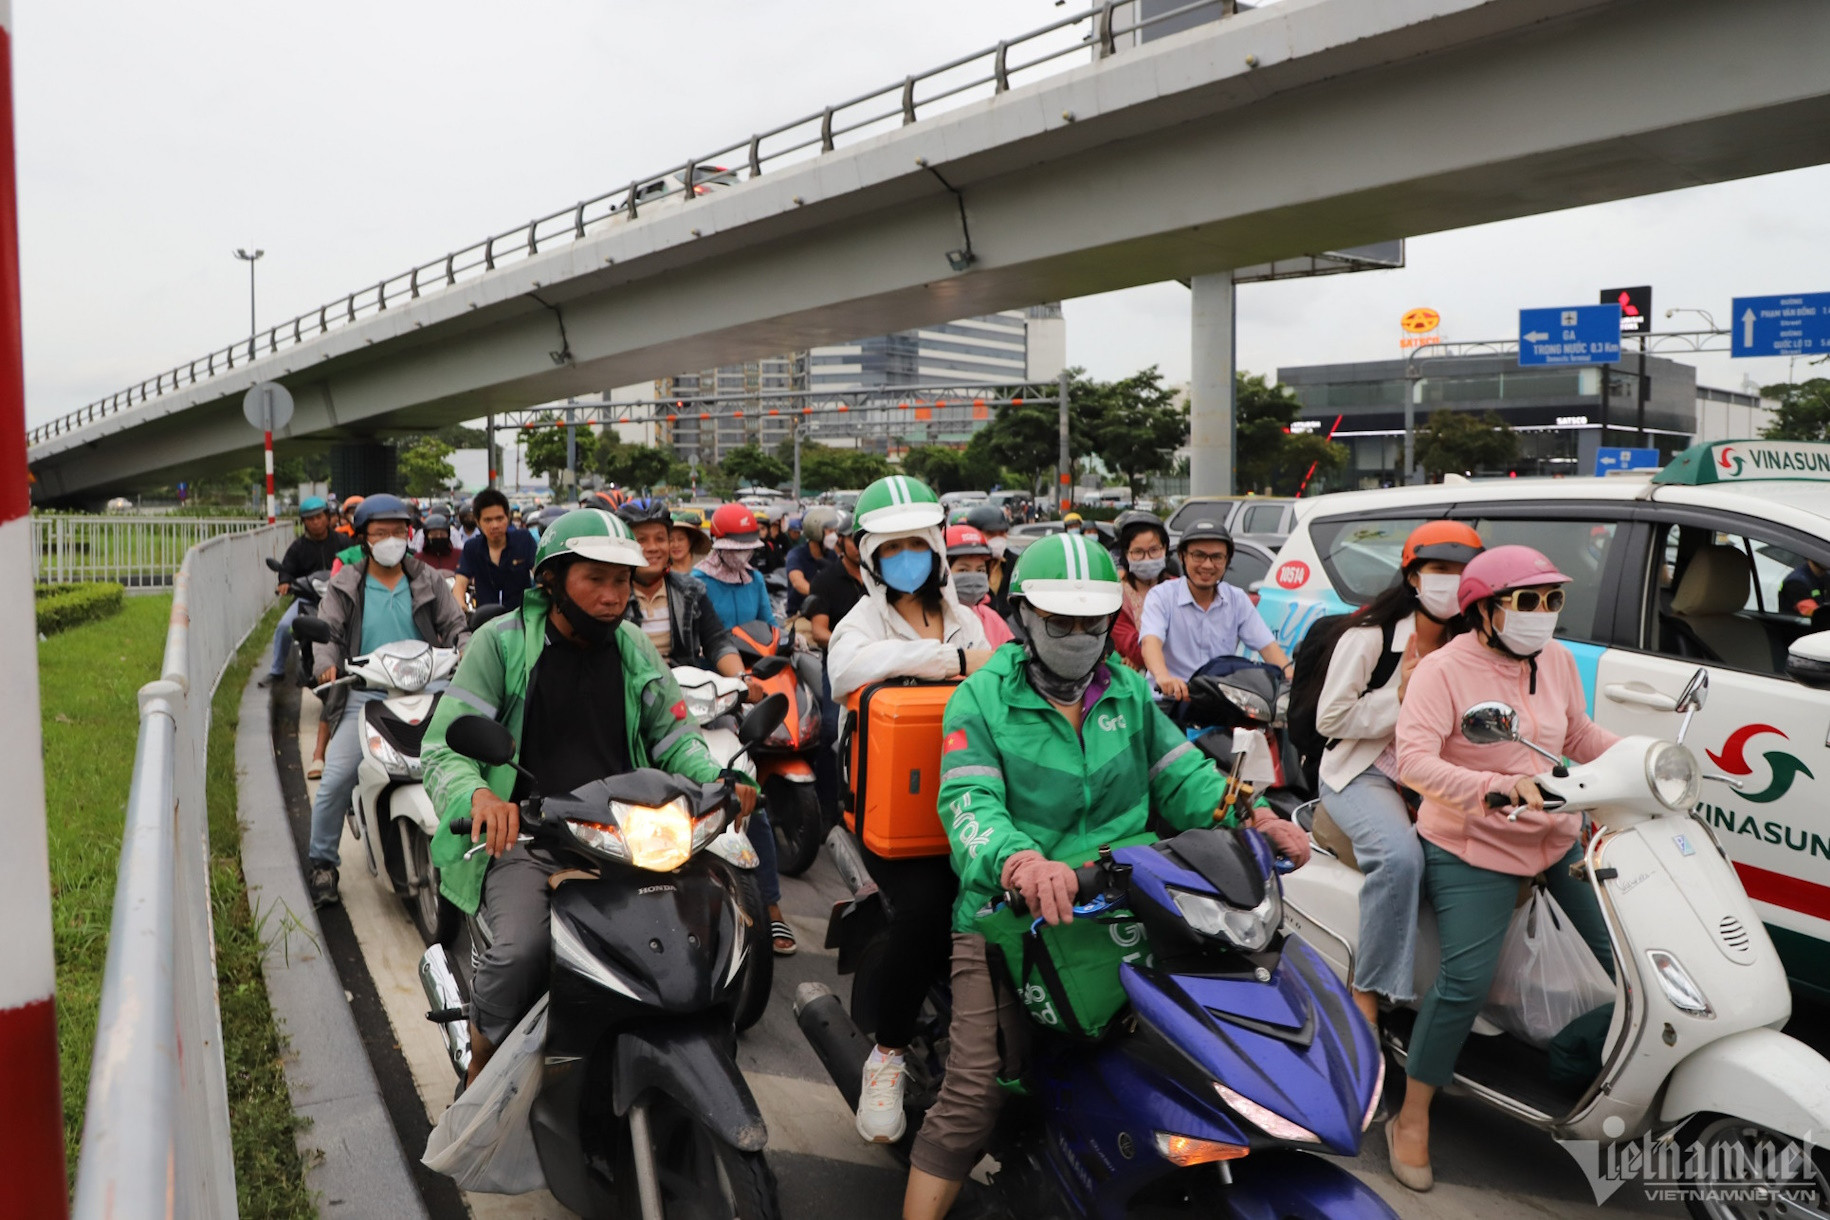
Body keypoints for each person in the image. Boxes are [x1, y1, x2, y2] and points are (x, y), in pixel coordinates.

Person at [902, 532, 1309, 1219]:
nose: (1078, 636)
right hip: (1008, 917)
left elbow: (1182, 778)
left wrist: (1257, 819)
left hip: (1135, 899)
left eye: (1091, 623)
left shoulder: (1125, 689)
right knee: (972, 1097)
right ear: (1025, 616)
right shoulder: (981, 700)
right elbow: (968, 804)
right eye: (1060, 622)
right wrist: (1021, 861)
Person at [421, 510, 755, 1083]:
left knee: (716, 925)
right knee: (521, 951)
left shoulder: (632, 648)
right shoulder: (499, 645)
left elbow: (675, 737)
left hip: (627, 832)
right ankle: (480, 1055)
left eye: (621, 581)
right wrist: (480, 797)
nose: (611, 596)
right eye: (594, 580)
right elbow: (444, 747)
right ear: (551, 580)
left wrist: (720, 784)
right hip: (532, 835)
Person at [1385, 544, 1618, 1192]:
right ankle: (1412, 1116)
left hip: (1556, 839)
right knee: (1463, 983)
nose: (1541, 615)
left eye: (1552, 600)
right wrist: (1493, 789)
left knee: (1624, 960)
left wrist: (1640, 760)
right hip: (1473, 846)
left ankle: (1580, 1066)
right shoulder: (1444, 671)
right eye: (1527, 602)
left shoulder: (1558, 660)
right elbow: (1413, 762)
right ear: (1485, 611)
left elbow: (1576, 737)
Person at [827, 475, 997, 1145]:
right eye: (891, 547)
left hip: (974, 796)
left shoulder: (968, 615)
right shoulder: (862, 621)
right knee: (926, 914)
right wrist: (954, 660)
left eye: (916, 544)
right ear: (870, 557)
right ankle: (888, 1054)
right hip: (893, 813)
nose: (907, 557)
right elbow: (847, 671)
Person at [1307, 521, 1483, 1031]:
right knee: (1400, 860)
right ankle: (1369, 987)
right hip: (1365, 775)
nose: (1451, 581)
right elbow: (1330, 719)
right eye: (1439, 570)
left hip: (1435, 775)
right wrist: (1400, 696)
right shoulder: (1370, 637)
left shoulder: (1470, 643)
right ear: (1412, 577)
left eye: (1462, 571)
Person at [304, 494, 470, 908]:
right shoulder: (346, 584)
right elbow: (328, 633)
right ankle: (323, 862)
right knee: (337, 777)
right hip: (367, 694)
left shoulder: (428, 578)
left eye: (399, 531)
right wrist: (325, 663)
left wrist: (466, 647)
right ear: (363, 538)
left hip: (427, 688)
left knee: (471, 758)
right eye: (381, 532)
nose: (391, 539)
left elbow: (455, 625)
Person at [1139, 518, 1292, 700]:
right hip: (1169, 701)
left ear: (1227, 560)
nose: (1208, 565)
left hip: (1220, 703)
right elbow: (1151, 642)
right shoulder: (1161, 596)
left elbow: (1268, 647)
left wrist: (1291, 679)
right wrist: (1163, 677)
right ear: (1182, 556)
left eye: (1217, 557)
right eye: (1198, 555)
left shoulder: (1237, 599)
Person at [617, 498, 746, 677]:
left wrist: (742, 678)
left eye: (660, 539)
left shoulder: (691, 591)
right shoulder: (610, 596)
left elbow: (717, 641)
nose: (653, 547)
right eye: (641, 540)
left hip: (685, 695)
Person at [260, 496, 343, 689]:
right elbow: (286, 569)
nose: (315, 522)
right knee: (283, 627)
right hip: (307, 599)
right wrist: (285, 582)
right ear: (304, 522)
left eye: (319, 517)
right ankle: (276, 671)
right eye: (310, 518)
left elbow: (356, 561)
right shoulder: (298, 547)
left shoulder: (342, 541)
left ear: (327, 517)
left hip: (338, 600)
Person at [692, 503, 778, 632]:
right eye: (735, 550)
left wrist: (786, 638)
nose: (741, 556)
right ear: (718, 545)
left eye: (747, 549)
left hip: (752, 650)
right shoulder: (696, 582)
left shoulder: (754, 579)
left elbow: (768, 623)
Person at [1109, 511, 1174, 670]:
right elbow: (1135, 649)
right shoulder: (1117, 597)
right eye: (1138, 552)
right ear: (1126, 554)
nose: (1147, 558)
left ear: (1164, 549)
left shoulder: (1179, 588)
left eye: (1154, 550)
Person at [453, 488, 537, 611]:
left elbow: (540, 575)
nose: (495, 525)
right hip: (485, 622)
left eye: (499, 518)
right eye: (488, 520)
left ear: (507, 517)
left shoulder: (523, 539)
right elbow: (459, 584)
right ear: (478, 522)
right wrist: (461, 607)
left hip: (522, 618)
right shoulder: (472, 548)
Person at [944, 524, 1014, 647]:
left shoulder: (991, 619)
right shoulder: (929, 620)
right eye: (963, 570)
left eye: (980, 571)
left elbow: (1011, 659)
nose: (973, 577)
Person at [806, 514, 866, 652]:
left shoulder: (881, 577)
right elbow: (819, 632)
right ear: (840, 540)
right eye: (854, 540)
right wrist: (849, 646)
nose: (860, 546)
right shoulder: (824, 581)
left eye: (865, 539)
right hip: (839, 659)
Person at [783, 506, 839, 617]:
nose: (834, 535)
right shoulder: (796, 555)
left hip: (827, 613)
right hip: (800, 615)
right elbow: (797, 582)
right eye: (830, 531)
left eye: (835, 531)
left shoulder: (832, 555)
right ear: (816, 532)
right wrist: (823, 596)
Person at [669, 511, 711, 576]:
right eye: (670, 540)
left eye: (681, 539)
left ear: (690, 541)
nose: (676, 545)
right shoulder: (660, 571)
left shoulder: (706, 564)